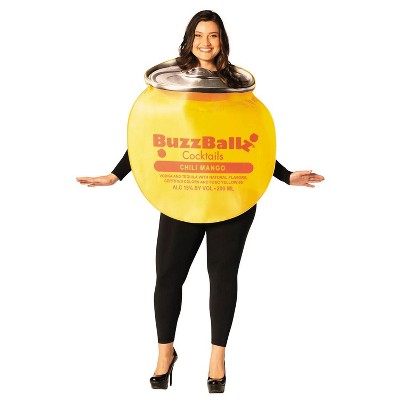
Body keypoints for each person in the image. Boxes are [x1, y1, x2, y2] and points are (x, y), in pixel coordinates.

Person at [76, 9, 324, 393]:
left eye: (213, 35)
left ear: (222, 40)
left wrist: (285, 175)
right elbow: (151, 135)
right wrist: (116, 174)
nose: (205, 43)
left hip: (232, 193)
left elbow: (247, 143)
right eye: (199, 35)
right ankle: (165, 354)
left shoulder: (236, 87)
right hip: (182, 192)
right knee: (168, 276)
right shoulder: (169, 86)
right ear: (189, 39)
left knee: (222, 277)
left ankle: (217, 358)